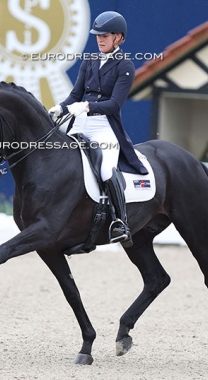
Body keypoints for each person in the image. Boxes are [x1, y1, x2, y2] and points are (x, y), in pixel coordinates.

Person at [48, 11, 148, 247]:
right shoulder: (90, 61)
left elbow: (114, 105)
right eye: (97, 35)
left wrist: (86, 106)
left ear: (118, 38)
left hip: (105, 127)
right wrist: (60, 108)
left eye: (105, 35)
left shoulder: (125, 66)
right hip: (80, 122)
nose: (100, 39)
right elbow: (75, 94)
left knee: (105, 170)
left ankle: (119, 223)